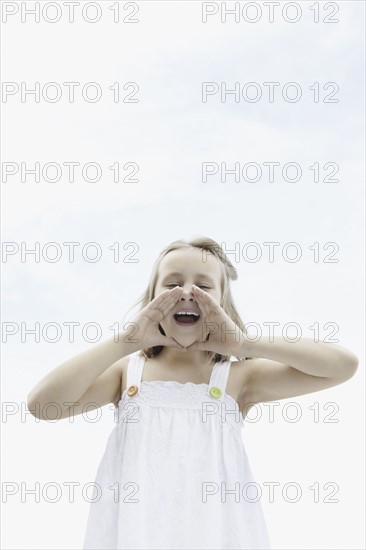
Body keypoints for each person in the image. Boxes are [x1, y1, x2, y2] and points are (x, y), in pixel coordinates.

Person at [27, 237, 359, 550]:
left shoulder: (238, 377)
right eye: (172, 284)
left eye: (203, 285)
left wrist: (244, 344)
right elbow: (42, 404)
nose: (187, 292)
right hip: (137, 531)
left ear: (221, 303)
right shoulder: (127, 374)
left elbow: (342, 366)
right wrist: (125, 342)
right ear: (151, 299)